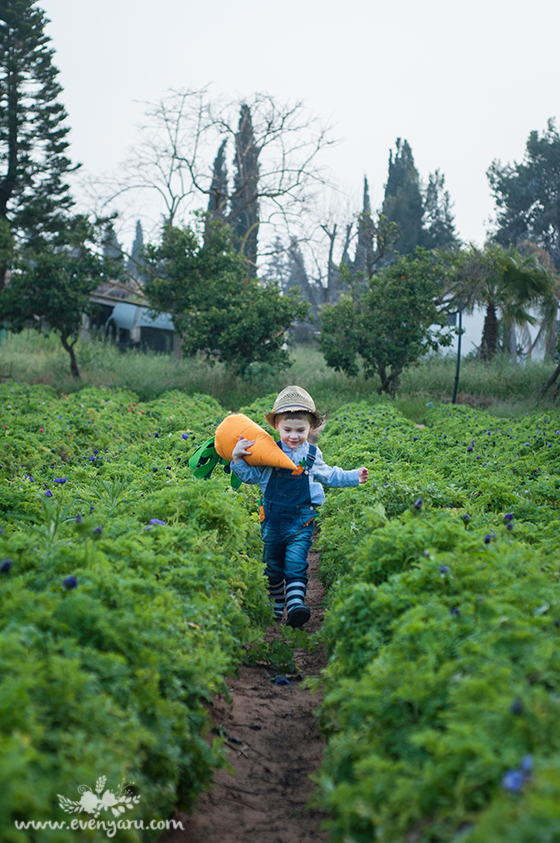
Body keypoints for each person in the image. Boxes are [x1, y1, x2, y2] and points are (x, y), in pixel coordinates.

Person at [231, 386, 368, 628]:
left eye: (300, 430)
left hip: (301, 522)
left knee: (295, 564)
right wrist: (237, 458)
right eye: (287, 430)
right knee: (272, 566)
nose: (294, 435)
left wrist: (352, 476)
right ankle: (275, 607)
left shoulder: (313, 456)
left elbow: (330, 476)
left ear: (311, 428)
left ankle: (295, 607)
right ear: (277, 427)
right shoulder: (267, 452)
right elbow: (250, 476)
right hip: (272, 522)